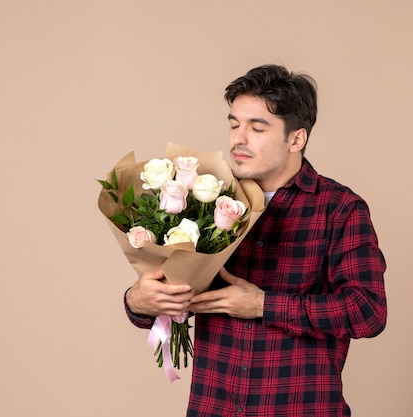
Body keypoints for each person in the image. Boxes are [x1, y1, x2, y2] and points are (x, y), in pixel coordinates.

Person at [124, 64, 387, 416]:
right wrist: (139, 301)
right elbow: (172, 294)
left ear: (296, 139)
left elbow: (368, 311)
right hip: (213, 407)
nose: (238, 139)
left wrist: (263, 305)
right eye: (234, 124)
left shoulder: (339, 209)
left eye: (257, 127)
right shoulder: (201, 199)